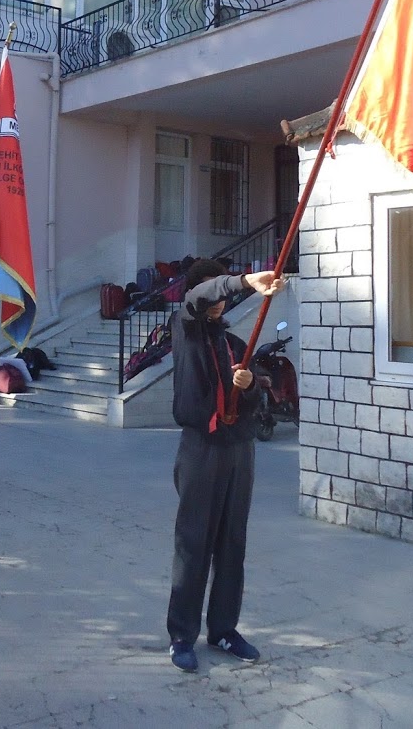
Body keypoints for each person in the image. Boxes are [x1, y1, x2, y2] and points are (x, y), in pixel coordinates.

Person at [165, 259, 284, 674]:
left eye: (222, 298)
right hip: (200, 448)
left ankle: (223, 629)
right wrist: (245, 282)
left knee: (232, 543)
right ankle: (182, 635)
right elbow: (198, 299)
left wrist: (250, 385)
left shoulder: (233, 344)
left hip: (239, 449)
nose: (218, 304)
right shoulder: (186, 327)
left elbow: (256, 390)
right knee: (193, 542)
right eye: (213, 294)